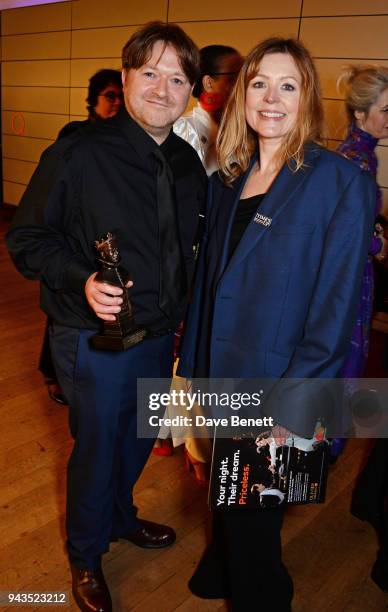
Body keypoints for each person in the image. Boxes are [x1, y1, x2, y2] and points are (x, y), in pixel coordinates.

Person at [6, 21, 207, 612]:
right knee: (98, 446)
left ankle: (120, 516)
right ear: (126, 77)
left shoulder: (187, 163)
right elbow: (28, 238)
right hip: (93, 336)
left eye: (177, 78)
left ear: (191, 90)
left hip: (160, 335)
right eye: (150, 73)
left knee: (141, 437)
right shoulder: (79, 151)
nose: (162, 89)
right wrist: (83, 279)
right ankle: (86, 553)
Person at [177, 37, 376, 610]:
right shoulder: (229, 180)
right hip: (222, 374)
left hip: (283, 383)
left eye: (287, 85)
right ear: (242, 95)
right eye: (259, 83)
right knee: (228, 494)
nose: (271, 97)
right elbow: (212, 285)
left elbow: (335, 311)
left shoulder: (341, 182)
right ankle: (216, 572)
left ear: (307, 98)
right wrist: (192, 370)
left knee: (255, 529)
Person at [39, 68, 123, 405]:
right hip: (71, 240)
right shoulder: (75, 135)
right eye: (109, 96)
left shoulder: (125, 139)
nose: (116, 103)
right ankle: (53, 373)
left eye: (120, 96)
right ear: (93, 100)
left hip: (104, 242)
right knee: (63, 309)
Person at [336, 64, 388, 592]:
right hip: (349, 292)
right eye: (386, 110)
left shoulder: (358, 155)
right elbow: (348, 237)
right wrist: (376, 244)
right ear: (361, 113)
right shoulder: (352, 161)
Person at [174, 44, 243, 175]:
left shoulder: (241, 132)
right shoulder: (184, 131)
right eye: (234, 78)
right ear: (209, 83)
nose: (243, 86)